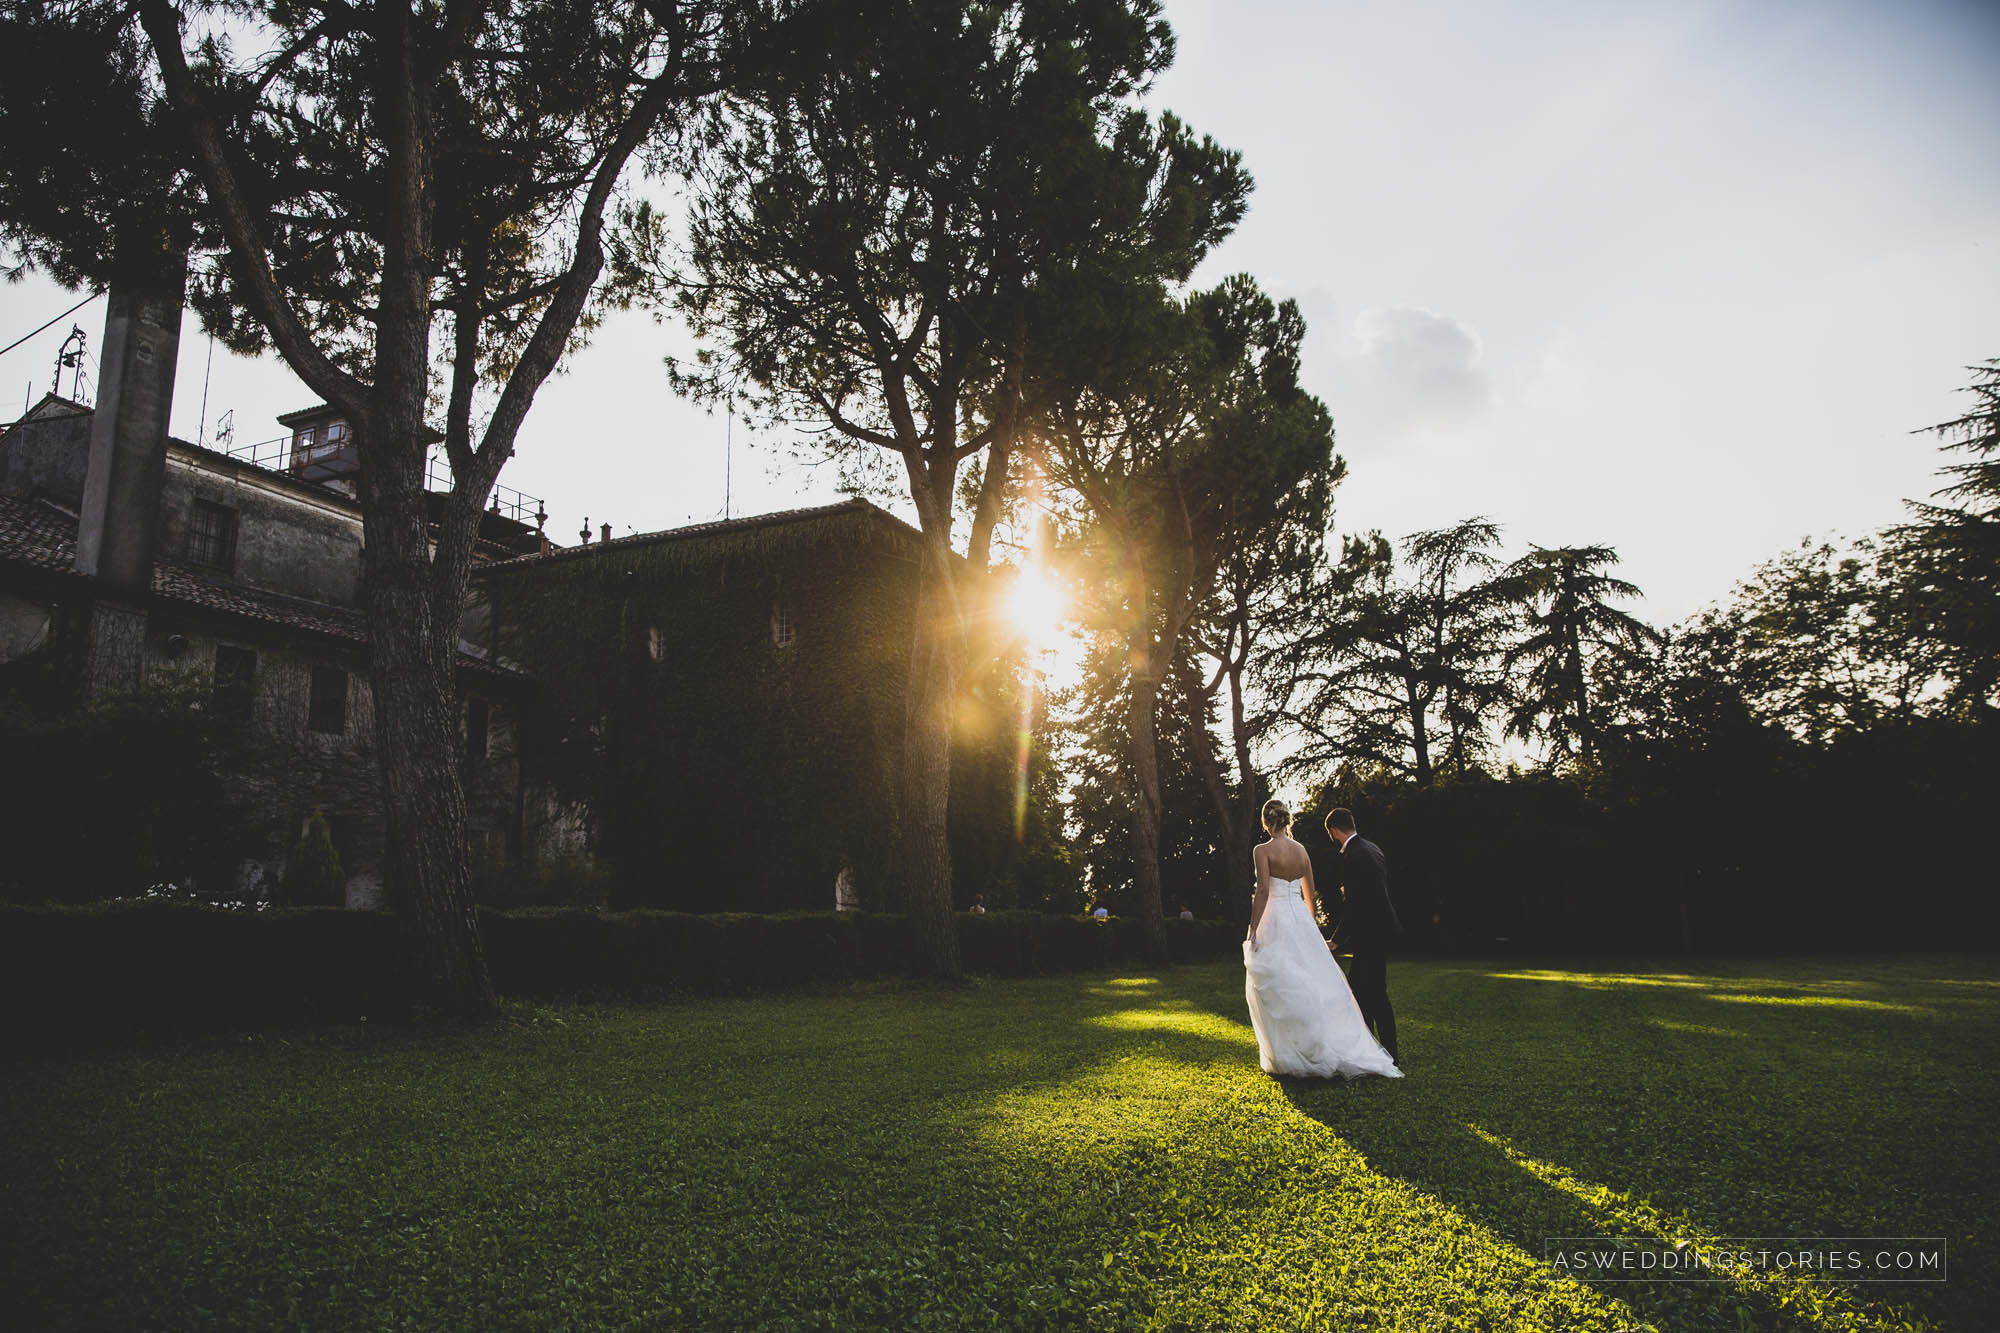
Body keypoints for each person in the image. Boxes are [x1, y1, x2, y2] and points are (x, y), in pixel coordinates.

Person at [1243, 799, 1401, 1080]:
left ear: (1266, 822)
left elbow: (1264, 891)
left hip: (1275, 919)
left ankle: (1293, 1051)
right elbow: (1310, 895)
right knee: (1311, 981)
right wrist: (1308, 925)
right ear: (1287, 821)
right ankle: (1328, 1043)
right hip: (1300, 920)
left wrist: (1253, 929)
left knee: (1281, 985)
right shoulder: (1302, 851)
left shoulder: (1262, 850)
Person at [1324, 806, 1402, 1064]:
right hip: (1381, 929)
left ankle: (1381, 1053)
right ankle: (1382, 1050)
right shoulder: (1373, 848)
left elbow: (1355, 902)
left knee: (1369, 993)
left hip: (1370, 932)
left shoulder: (1354, 855)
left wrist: (1337, 938)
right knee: (1368, 991)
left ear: (1334, 830)